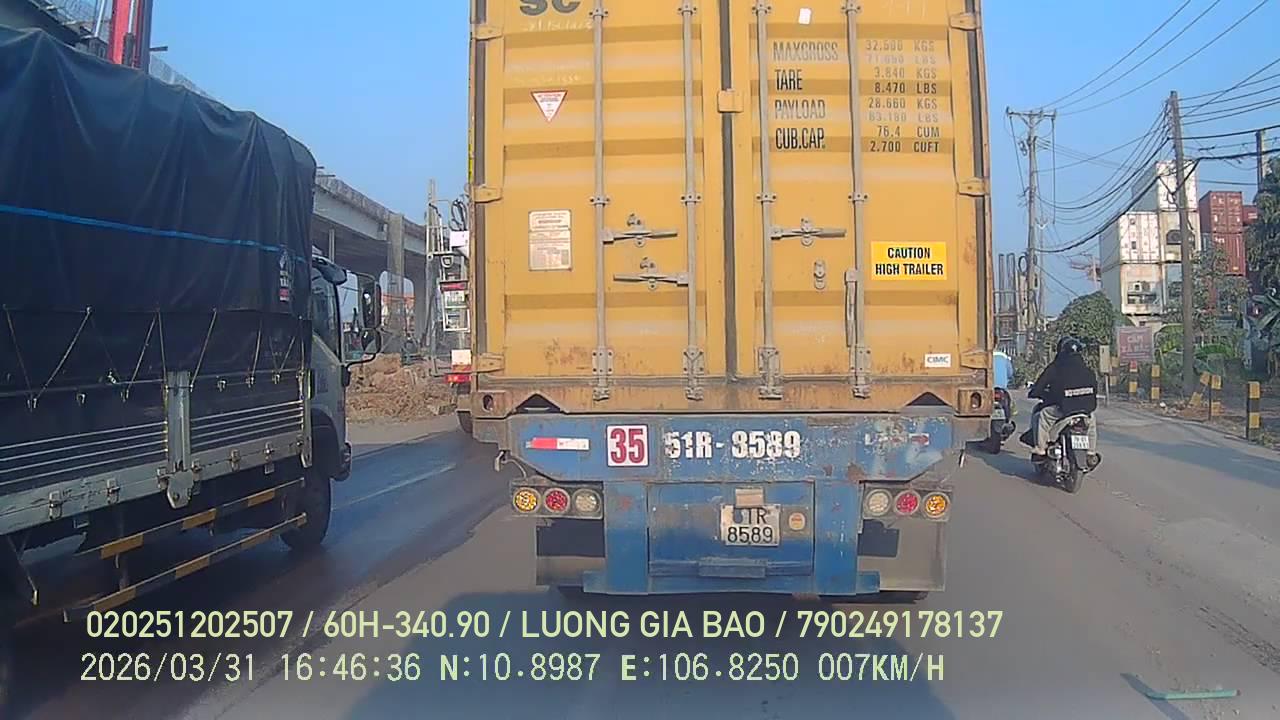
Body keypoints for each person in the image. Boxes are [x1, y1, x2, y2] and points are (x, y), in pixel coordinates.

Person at [1021, 336, 1100, 464]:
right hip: (1085, 409)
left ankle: (1041, 449)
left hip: (1064, 410)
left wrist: (1035, 393)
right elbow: (1095, 389)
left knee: (1043, 415)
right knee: (1091, 421)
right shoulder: (1088, 370)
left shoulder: (1056, 367)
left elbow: (1040, 386)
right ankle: (1091, 452)